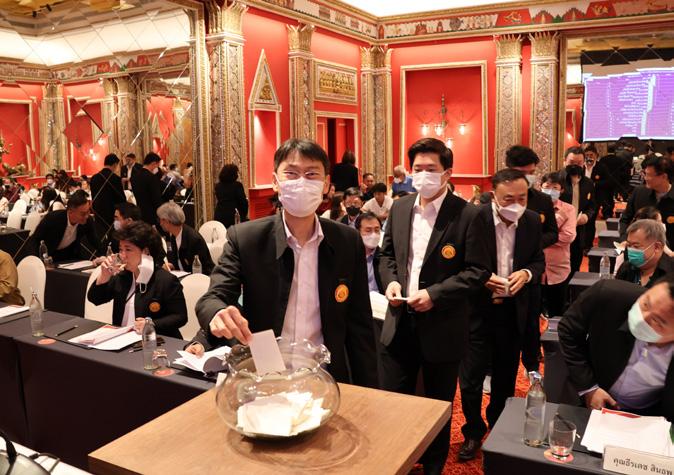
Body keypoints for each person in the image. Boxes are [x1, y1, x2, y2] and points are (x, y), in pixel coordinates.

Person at [195, 138, 377, 387]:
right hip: (264, 375)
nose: (301, 182)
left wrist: (369, 390)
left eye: (311, 174)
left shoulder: (347, 241)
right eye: (291, 173)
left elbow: (360, 325)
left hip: (324, 378)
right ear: (275, 181)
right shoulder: (246, 238)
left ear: (326, 185)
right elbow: (213, 297)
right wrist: (218, 312)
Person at [378, 137, 490, 473]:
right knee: (394, 400)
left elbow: (478, 271)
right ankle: (397, 459)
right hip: (399, 320)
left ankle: (433, 465)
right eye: (417, 168)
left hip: (443, 326)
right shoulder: (400, 208)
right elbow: (386, 255)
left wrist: (435, 295)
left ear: (447, 173)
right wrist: (391, 281)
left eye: (431, 169)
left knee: (437, 404)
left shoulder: (468, 215)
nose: (423, 175)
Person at [458, 168, 545, 462]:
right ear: (494, 195)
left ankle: (497, 427)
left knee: (505, 378)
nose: (516, 204)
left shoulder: (531, 221)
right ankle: (472, 430)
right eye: (509, 198)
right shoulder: (474, 218)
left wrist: (527, 273)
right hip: (477, 311)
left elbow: (538, 260)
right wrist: (482, 278)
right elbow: (460, 262)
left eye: (522, 198)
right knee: (470, 380)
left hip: (512, 312)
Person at [558, 277, 674, 421]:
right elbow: (568, 330)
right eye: (645, 303)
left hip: (650, 418)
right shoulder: (608, 295)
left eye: (657, 321)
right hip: (585, 400)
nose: (643, 318)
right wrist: (589, 388)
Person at [87, 221, 187, 339]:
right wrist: (104, 276)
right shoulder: (122, 276)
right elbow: (95, 299)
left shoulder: (166, 280)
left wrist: (151, 324)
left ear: (146, 251)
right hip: (122, 339)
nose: (123, 255)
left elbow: (180, 317)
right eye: (121, 249)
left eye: (128, 250)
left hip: (155, 340)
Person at [541, 172, 577, 317]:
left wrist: (540, 240)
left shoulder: (568, 209)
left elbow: (568, 236)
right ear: (540, 187)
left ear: (561, 190)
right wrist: (554, 234)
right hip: (535, 268)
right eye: (547, 187)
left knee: (557, 311)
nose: (550, 191)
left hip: (558, 268)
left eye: (555, 187)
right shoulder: (533, 208)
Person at [620, 154, 674, 247]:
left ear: (664, 176)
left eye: (649, 175)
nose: (645, 178)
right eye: (645, 174)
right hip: (638, 251)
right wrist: (625, 239)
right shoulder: (639, 193)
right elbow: (625, 219)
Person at [30, 190, 98, 262]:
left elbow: (95, 241)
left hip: (70, 258)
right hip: (47, 257)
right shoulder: (52, 219)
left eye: (88, 212)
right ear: (70, 212)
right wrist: (36, 262)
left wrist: (103, 257)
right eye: (83, 214)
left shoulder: (87, 221)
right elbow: (34, 240)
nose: (87, 216)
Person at [559, 146, 596, 274]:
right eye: (571, 162)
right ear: (564, 161)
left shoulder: (588, 183)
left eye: (579, 163)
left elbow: (592, 205)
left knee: (575, 266)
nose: (575, 166)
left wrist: (586, 216)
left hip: (579, 231)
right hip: (559, 231)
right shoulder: (556, 180)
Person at [157, 201, 214, 275]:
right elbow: (180, 262)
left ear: (169, 220)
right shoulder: (174, 236)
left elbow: (203, 269)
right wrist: (172, 266)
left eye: (162, 220)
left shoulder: (194, 239)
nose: (160, 223)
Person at [615, 219, 674, 288]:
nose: (630, 250)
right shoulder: (626, 268)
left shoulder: (671, 271)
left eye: (636, 246)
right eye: (629, 245)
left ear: (657, 247)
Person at [90, 153, 126, 243]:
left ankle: (103, 248)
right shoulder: (116, 178)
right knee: (113, 236)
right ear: (115, 164)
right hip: (112, 212)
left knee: (101, 236)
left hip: (98, 212)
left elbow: (93, 196)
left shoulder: (94, 178)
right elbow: (121, 198)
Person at [130, 153, 164, 226]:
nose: (157, 168)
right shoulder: (152, 177)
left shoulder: (134, 177)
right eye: (157, 166)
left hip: (140, 212)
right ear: (153, 163)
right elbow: (156, 198)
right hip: (152, 214)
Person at [355, 211, 382, 293]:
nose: (373, 235)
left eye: (377, 230)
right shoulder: (350, 256)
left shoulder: (385, 257)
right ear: (358, 232)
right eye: (368, 230)